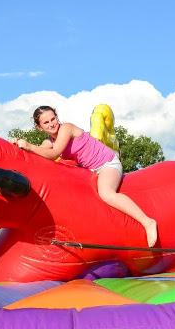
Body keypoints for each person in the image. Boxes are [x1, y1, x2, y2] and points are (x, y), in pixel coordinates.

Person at [12, 106, 157, 247]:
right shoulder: (49, 141)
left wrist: (29, 146)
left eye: (53, 119)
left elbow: (54, 153)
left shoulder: (66, 128)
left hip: (107, 164)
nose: (51, 124)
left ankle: (147, 222)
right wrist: (17, 144)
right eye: (46, 122)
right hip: (91, 172)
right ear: (39, 127)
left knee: (106, 193)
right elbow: (39, 152)